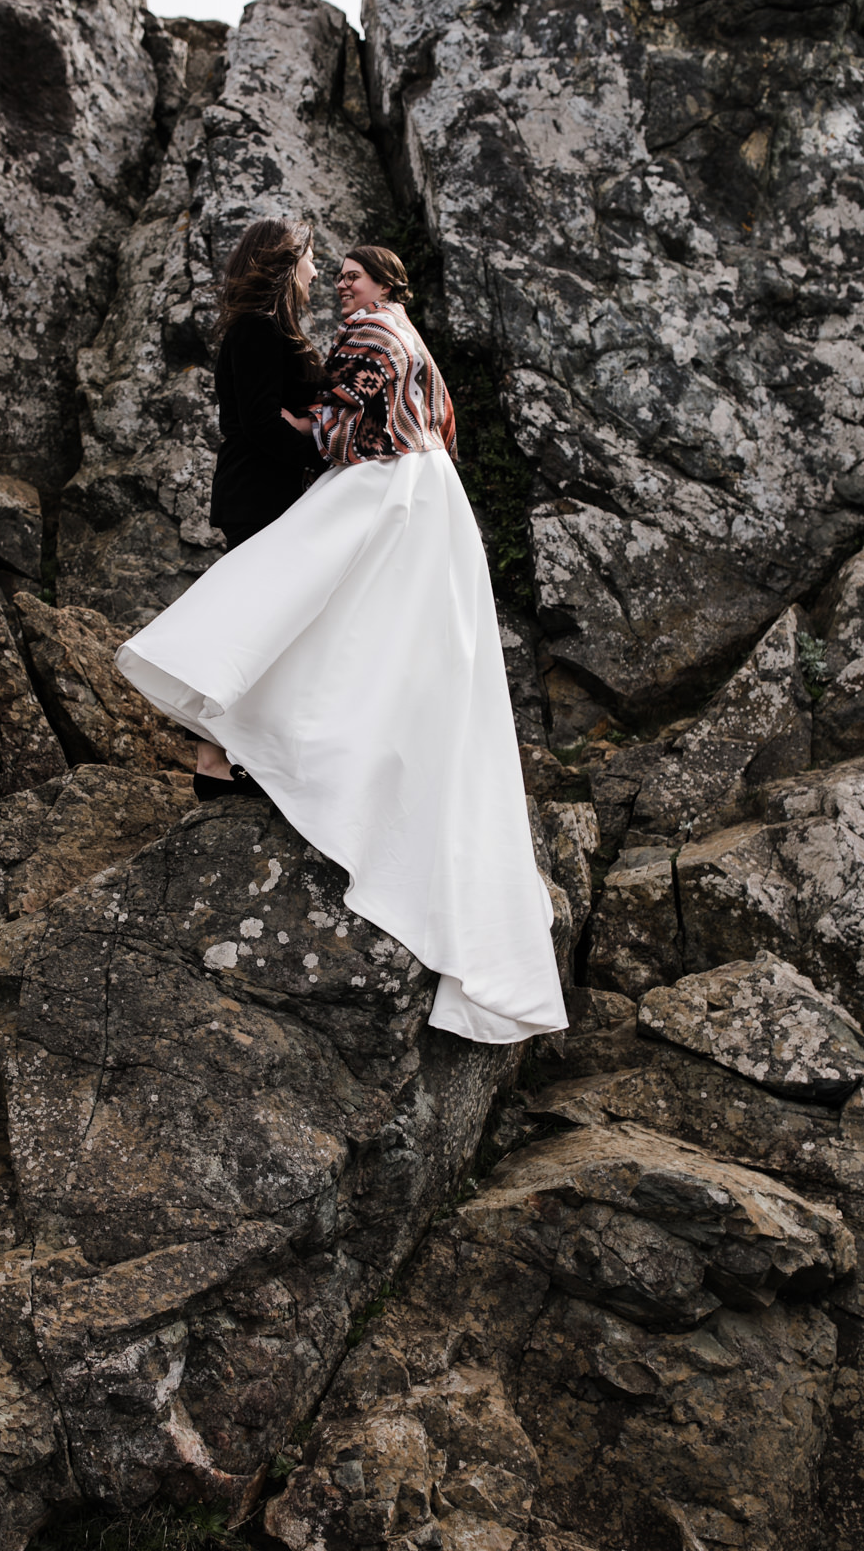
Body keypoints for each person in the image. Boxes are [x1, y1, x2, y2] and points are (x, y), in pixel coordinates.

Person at [116, 241, 567, 1046]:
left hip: (383, 483)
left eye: (349, 273)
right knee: (354, 628)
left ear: (384, 283)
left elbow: (338, 421)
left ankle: (251, 747)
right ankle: (240, 749)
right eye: (326, 268)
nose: (335, 282)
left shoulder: (369, 331)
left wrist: (307, 426)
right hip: (420, 486)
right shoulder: (399, 333)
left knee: (301, 613)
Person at [195, 215, 325, 799]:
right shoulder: (255, 331)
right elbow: (258, 423)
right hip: (257, 493)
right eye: (311, 258)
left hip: (268, 492)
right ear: (284, 263)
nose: (317, 271)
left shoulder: (269, 331)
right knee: (250, 629)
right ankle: (213, 760)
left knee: (260, 628)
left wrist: (305, 421)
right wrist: (315, 448)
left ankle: (223, 758)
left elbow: (278, 415)